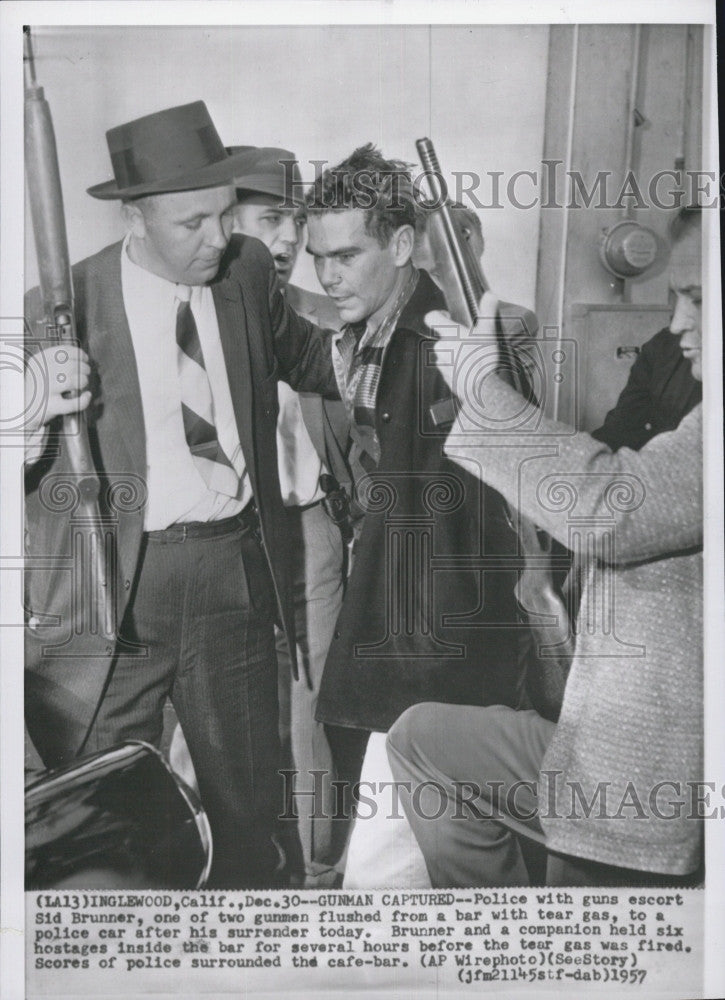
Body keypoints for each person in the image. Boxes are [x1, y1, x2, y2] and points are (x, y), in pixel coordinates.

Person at [24, 101, 337, 889]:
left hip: (232, 573)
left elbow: (320, 361)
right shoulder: (61, 309)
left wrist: (411, 317)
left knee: (249, 814)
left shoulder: (246, 272)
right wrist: (27, 409)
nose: (214, 237)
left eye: (224, 215)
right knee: (105, 827)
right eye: (189, 221)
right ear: (134, 216)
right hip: (114, 599)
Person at [386, 206, 704, 887]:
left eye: (699, 299)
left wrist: (482, 390)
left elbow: (615, 507)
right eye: (675, 298)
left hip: (655, 770)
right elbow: (617, 463)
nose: (677, 323)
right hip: (617, 730)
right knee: (422, 739)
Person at [304, 144, 538, 887]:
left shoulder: (441, 343)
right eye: (318, 258)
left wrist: (417, 669)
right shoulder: (378, 327)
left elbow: (468, 525)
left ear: (403, 245)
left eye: (345, 255)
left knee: (418, 864)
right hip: (399, 625)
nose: (328, 275)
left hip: (435, 646)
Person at [169, 145, 350, 886]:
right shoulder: (172, 310)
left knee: (313, 717)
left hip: (306, 540)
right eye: (269, 218)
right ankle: (207, 870)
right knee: (206, 724)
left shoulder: (324, 321)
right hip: (214, 547)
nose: (284, 240)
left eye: (295, 222)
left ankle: (315, 878)